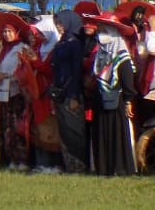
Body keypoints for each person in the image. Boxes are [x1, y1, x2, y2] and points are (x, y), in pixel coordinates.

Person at [88, 17, 137, 175]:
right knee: (101, 133)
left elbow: (128, 80)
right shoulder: (100, 55)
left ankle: (119, 168)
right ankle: (103, 167)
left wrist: (129, 100)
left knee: (118, 134)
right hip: (101, 100)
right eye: (100, 31)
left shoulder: (122, 57)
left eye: (104, 31)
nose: (100, 35)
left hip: (118, 101)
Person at [0, 13, 35, 171]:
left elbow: (24, 70)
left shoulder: (22, 48)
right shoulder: (2, 50)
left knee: (19, 126)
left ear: (16, 33)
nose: (7, 35)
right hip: (4, 93)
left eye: (10, 32)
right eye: (5, 32)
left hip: (18, 93)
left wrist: (8, 76)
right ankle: (12, 159)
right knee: (8, 127)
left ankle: (23, 160)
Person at [50, 10, 88, 174]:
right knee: (64, 132)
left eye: (61, 23)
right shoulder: (61, 43)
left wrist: (73, 95)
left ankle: (79, 166)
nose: (59, 27)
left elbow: (76, 71)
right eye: (57, 24)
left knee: (74, 131)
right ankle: (69, 166)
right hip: (60, 93)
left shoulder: (74, 44)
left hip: (71, 92)